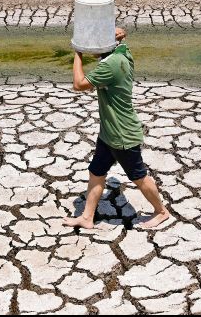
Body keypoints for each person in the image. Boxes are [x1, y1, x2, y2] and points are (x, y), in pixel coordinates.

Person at [63, 27, 171, 230]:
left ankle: (161, 212)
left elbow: (78, 84)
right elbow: (120, 37)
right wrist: (117, 34)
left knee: (138, 176)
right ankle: (87, 217)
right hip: (109, 133)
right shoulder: (123, 54)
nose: (92, 48)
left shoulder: (111, 65)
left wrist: (78, 52)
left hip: (122, 135)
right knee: (96, 172)